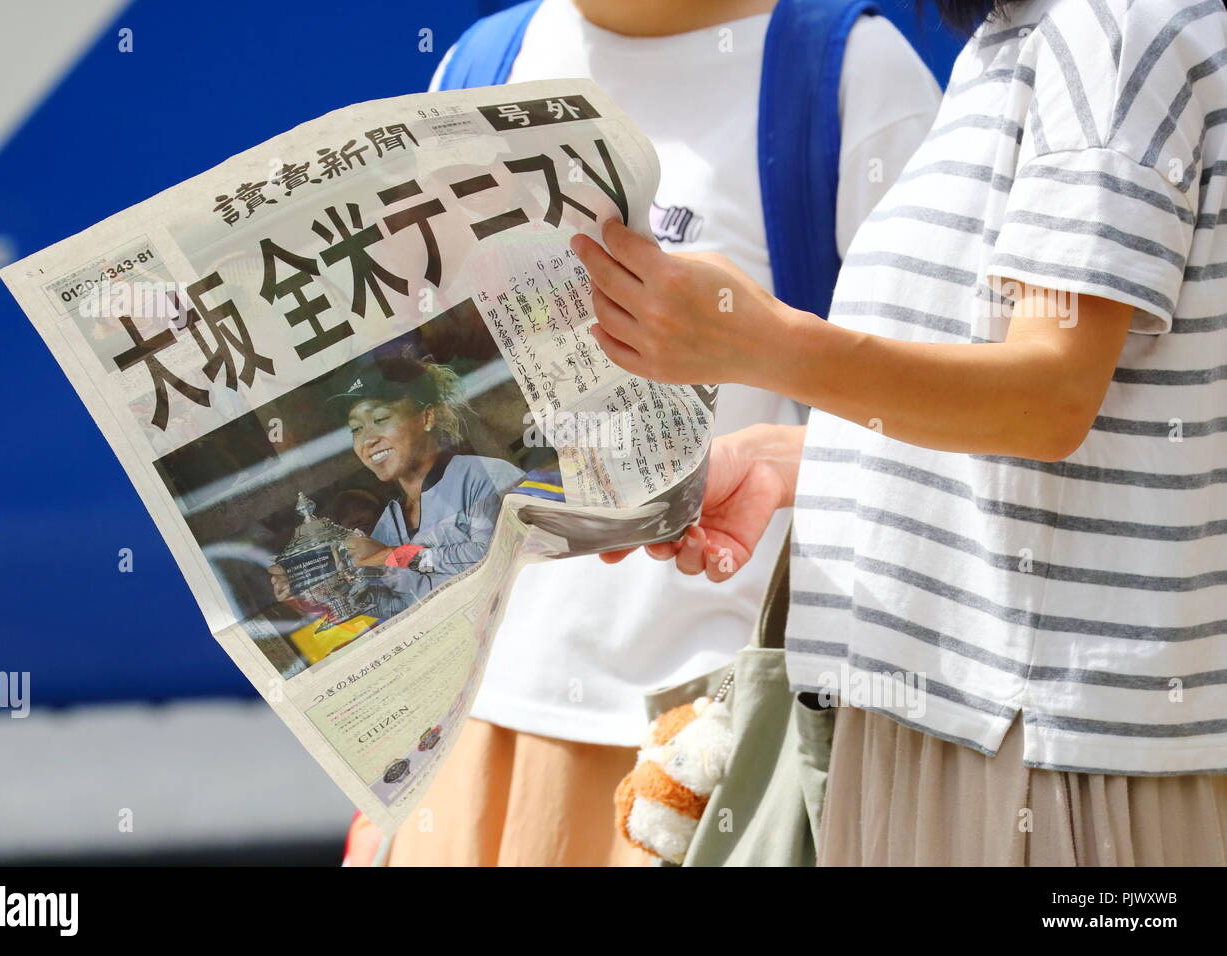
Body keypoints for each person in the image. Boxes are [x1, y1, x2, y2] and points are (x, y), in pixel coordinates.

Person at [586, 0, 1227, 865]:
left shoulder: (1108, 26)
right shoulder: (1019, 38)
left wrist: (760, 342)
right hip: (973, 729)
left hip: (1045, 758)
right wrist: (801, 459)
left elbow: (1048, 398)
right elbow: (1064, 432)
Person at [346, 0, 942, 866]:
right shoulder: (483, 62)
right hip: (467, 728)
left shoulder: (845, 75)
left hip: (711, 740)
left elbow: (951, 427)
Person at [270, 354, 524, 615]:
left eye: (380, 419)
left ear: (426, 417)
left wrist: (392, 556)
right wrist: (317, 591)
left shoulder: (484, 476)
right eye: (356, 429)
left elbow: (491, 558)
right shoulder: (388, 526)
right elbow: (402, 606)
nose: (367, 440)